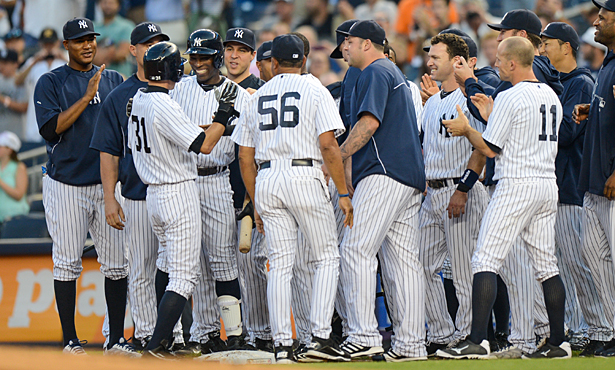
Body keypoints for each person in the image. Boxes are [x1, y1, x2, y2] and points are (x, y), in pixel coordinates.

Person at [437, 36, 570, 359]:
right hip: (545, 184)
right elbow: (518, 131)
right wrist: (491, 113)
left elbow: (490, 149)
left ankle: (478, 340)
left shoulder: (511, 95)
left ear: (513, 62)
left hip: (516, 183)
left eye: (499, 58)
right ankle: (557, 342)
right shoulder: (551, 95)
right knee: (545, 264)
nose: (494, 63)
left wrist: (468, 129)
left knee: (485, 259)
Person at [232, 33, 353, 363]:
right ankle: (320, 337)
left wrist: (256, 200)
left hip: (268, 176)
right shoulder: (314, 87)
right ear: (303, 60)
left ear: (272, 63)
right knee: (326, 257)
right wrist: (342, 191)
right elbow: (328, 144)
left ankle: (282, 343)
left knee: (280, 265)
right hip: (304, 172)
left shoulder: (257, 96)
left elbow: (245, 157)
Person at [130, 41, 232, 358]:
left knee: (165, 265)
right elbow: (203, 145)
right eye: (178, 62)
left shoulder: (139, 99)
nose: (183, 66)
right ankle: (156, 345)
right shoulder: (163, 103)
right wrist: (223, 116)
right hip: (176, 191)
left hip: (155, 194)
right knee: (185, 276)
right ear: (169, 68)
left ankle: (167, 339)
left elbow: (182, 132)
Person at [33, 17, 127, 355]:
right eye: (79, 40)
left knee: (117, 263)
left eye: (90, 39)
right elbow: (50, 130)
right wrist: (87, 97)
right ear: (66, 46)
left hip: (106, 185)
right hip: (66, 183)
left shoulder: (113, 78)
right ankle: (69, 340)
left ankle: (116, 338)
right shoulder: (51, 81)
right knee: (67, 263)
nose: (87, 45)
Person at [338, 20, 427, 362]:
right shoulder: (392, 71)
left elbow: (368, 123)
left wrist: (337, 154)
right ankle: (410, 345)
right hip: (407, 177)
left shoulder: (376, 70)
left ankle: (362, 335)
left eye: (349, 42)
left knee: (356, 249)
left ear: (366, 44)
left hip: (383, 172)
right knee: (402, 263)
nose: (344, 48)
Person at [89, 21, 170, 352]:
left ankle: (174, 335)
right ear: (133, 50)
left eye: (159, 42)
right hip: (135, 192)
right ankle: (149, 335)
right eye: (147, 43)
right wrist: (109, 198)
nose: (153, 47)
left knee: (175, 268)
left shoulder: (176, 86)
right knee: (139, 270)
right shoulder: (119, 94)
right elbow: (108, 151)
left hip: (172, 190)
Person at [170, 28, 250, 352]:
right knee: (193, 266)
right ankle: (204, 334)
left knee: (222, 261)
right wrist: (209, 128)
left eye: (204, 56)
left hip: (217, 179)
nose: (198, 62)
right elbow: (184, 134)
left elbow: (247, 148)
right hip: (185, 179)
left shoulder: (239, 94)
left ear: (216, 57)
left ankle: (234, 332)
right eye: (194, 56)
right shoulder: (178, 89)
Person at [540, 21, 612, 355]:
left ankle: (591, 328)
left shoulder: (580, 81)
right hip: (567, 185)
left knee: (578, 265)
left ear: (566, 46)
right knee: (572, 265)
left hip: (571, 185)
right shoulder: (565, 83)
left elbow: (566, 134)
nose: (543, 50)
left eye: (548, 43)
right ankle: (589, 328)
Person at [419, 32, 489, 356]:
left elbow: (482, 146)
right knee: (421, 264)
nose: (429, 62)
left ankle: (468, 336)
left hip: (461, 190)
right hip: (432, 191)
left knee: (463, 270)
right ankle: (442, 332)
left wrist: (463, 188)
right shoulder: (432, 102)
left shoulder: (469, 96)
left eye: (436, 57)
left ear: (457, 62)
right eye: (429, 56)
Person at [572, 0, 615, 357]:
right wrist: (595, 109)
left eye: (604, 16)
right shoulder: (607, 64)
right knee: (594, 257)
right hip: (594, 182)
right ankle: (613, 330)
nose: (597, 21)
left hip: (611, 181)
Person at [14, 27, 66, 143]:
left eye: (51, 44)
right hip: (36, 117)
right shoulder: (33, 61)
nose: (48, 47)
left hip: (61, 113)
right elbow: (17, 81)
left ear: (58, 43)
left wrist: (63, 57)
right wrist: (34, 62)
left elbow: (82, 73)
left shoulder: (66, 59)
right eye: (46, 44)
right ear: (40, 44)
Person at [93, 0, 135, 77]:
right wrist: (111, 50)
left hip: (120, 77)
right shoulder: (92, 26)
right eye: (104, 3)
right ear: (99, 5)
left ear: (118, 5)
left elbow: (122, 53)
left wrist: (98, 55)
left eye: (111, 3)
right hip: (95, 77)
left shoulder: (127, 26)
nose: (107, 6)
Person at [0, 131, 28, 223]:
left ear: (9, 150)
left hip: (15, 218)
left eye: (1, 146)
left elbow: (19, 194)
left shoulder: (19, 167)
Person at [0, 48, 27, 138]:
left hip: (15, 134)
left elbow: (24, 107)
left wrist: (4, 100)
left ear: (15, 64)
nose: (1, 66)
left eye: (6, 63)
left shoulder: (20, 81)